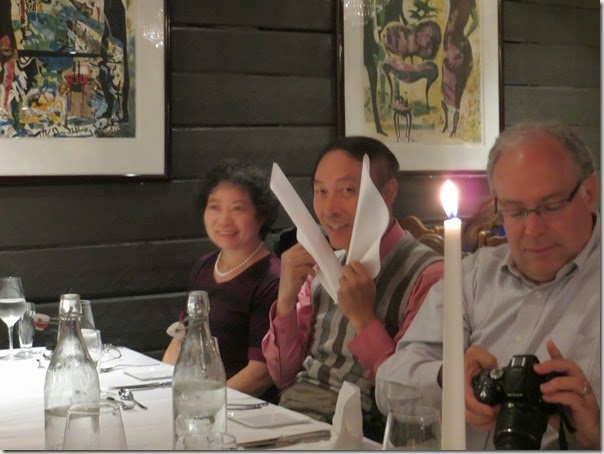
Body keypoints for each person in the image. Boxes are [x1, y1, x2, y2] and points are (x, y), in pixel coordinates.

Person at [376, 122, 600, 449]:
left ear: (590, 192)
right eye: (515, 211)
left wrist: (595, 435)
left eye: (550, 207)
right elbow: (388, 386)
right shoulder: (474, 276)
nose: (533, 229)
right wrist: (447, 378)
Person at [261, 136, 445, 441]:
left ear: (388, 193)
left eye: (347, 191)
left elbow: (410, 397)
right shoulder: (322, 265)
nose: (329, 209)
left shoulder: (430, 276)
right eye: (321, 191)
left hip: (369, 433)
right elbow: (283, 374)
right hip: (294, 420)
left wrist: (363, 319)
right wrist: (286, 297)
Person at [163, 160, 281, 403]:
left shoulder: (271, 279)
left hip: (242, 407)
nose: (224, 220)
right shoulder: (205, 265)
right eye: (215, 207)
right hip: (196, 396)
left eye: (238, 208)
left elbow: (261, 374)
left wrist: (205, 404)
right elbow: (182, 337)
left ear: (261, 215)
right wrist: (164, 388)